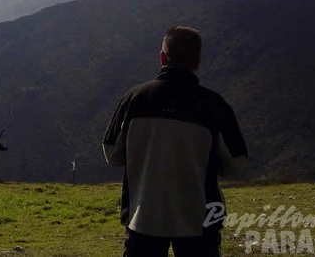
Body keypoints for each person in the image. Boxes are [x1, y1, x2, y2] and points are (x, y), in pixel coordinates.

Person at [102, 26, 248, 257]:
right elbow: (236, 164)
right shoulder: (214, 106)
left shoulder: (134, 99)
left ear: (162, 58)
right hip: (200, 223)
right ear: (197, 62)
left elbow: (112, 154)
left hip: (143, 217)